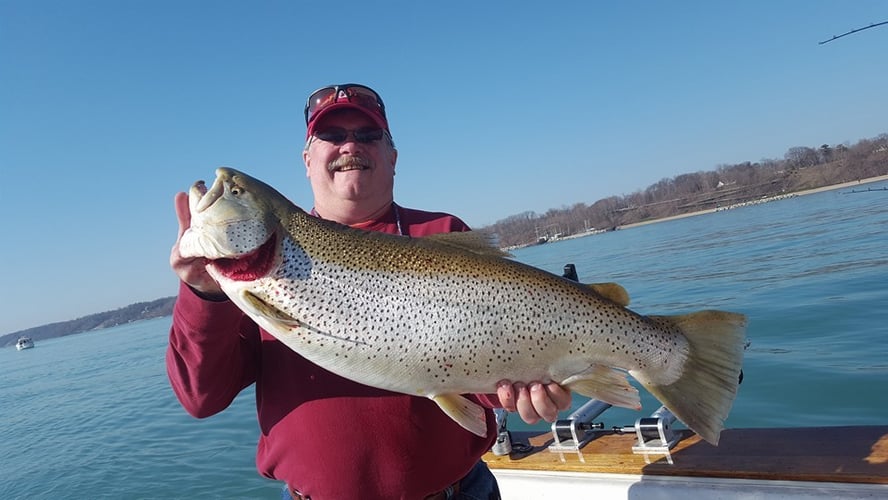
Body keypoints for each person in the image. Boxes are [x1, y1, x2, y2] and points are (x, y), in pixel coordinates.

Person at [167, 83, 571, 500]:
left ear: (392, 157)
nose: (349, 146)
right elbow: (202, 398)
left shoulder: (442, 235)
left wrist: (520, 391)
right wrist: (203, 293)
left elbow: (481, 376)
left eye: (367, 135)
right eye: (332, 136)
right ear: (307, 160)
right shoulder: (243, 284)